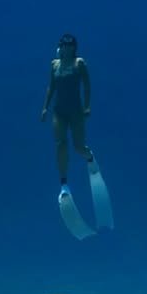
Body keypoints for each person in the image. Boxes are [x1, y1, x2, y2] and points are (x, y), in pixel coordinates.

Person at [40, 33, 94, 199]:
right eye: (64, 45)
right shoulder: (54, 65)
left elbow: (86, 85)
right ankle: (64, 184)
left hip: (76, 113)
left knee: (78, 147)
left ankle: (90, 157)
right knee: (61, 144)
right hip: (59, 113)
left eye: (70, 46)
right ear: (60, 47)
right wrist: (45, 108)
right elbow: (51, 87)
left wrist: (87, 106)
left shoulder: (79, 63)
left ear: (74, 48)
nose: (67, 48)